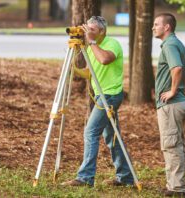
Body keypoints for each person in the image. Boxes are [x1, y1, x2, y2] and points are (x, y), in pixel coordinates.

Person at [60, 16, 134, 187]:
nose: (88, 33)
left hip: (110, 95)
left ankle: (85, 178)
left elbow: (104, 60)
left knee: (91, 132)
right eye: (87, 28)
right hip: (102, 95)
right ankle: (126, 177)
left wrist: (92, 43)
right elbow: (90, 72)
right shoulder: (91, 46)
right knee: (112, 136)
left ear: (102, 31)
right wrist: (74, 70)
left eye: (92, 29)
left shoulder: (111, 44)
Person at [152, 13, 185, 197]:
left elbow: (177, 68)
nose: (153, 27)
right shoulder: (177, 43)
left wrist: (174, 91)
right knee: (175, 144)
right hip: (178, 103)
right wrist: (181, 88)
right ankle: (174, 185)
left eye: (156, 24)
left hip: (172, 104)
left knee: (171, 145)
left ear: (166, 27)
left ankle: (177, 188)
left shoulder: (169, 45)